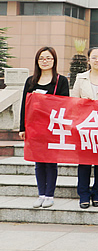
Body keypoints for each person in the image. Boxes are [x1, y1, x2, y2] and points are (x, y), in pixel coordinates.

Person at [19, 47, 70, 209]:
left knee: (51, 162)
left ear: (54, 61)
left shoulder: (61, 81)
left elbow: (65, 104)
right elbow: (24, 105)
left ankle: (49, 195)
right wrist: (22, 127)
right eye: (41, 58)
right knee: (38, 162)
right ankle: (41, 194)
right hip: (34, 128)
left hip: (53, 128)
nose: (45, 61)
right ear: (37, 61)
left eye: (48, 58)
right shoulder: (31, 81)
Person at [71, 47, 98, 209]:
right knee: (84, 163)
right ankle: (84, 194)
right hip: (84, 126)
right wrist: (82, 103)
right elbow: (73, 101)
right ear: (88, 60)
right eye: (94, 57)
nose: (97, 60)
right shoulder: (81, 78)